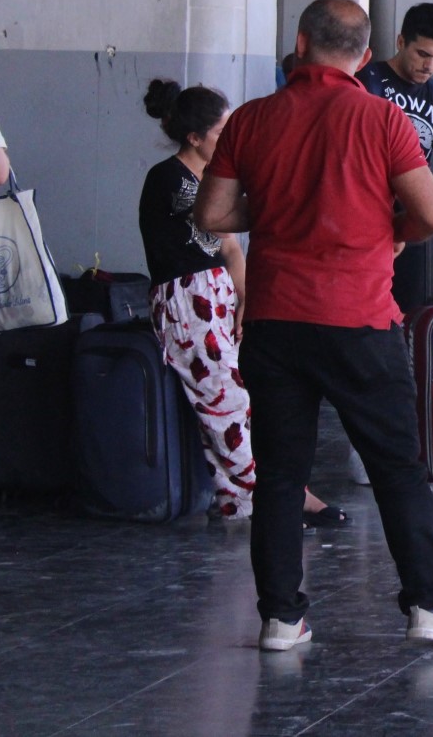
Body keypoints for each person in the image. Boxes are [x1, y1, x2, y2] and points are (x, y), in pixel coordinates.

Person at [194, 0, 433, 652]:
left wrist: (280, 215)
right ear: (366, 55)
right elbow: (432, 216)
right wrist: (383, 227)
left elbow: (212, 213)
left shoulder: (252, 119)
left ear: (299, 42)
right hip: (359, 317)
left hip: (275, 318)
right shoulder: (382, 119)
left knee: (281, 471)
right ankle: (428, 605)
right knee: (397, 466)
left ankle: (281, 618)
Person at [138, 80, 345, 528]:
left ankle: (244, 500)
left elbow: (230, 248)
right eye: (221, 132)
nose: (229, 140)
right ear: (195, 137)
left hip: (215, 294)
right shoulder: (169, 178)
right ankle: (280, 495)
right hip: (187, 297)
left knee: (236, 398)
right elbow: (221, 224)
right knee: (225, 399)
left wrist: (244, 303)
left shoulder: (211, 182)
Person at [356, 3, 433, 315]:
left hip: (411, 218)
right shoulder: (366, 81)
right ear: (400, 42)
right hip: (364, 214)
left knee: (406, 309)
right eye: (423, 54)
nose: (430, 65)